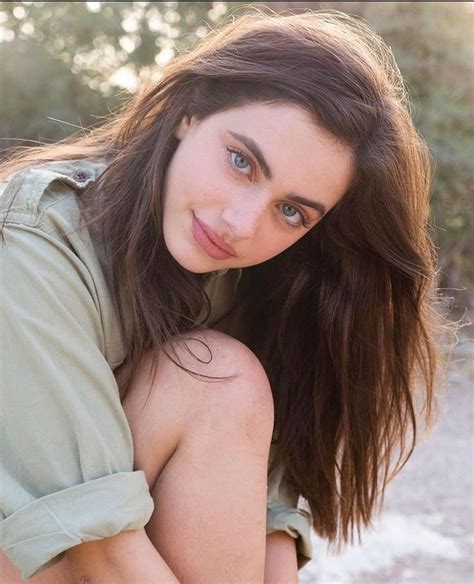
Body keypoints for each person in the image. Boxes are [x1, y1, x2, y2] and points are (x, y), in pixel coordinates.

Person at [0, 8, 449, 583]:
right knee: (214, 378)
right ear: (191, 111)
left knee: (218, 380)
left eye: (291, 211)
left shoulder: (248, 279)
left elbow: (266, 517)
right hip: (41, 542)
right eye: (241, 161)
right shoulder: (39, 235)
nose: (240, 223)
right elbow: (95, 544)